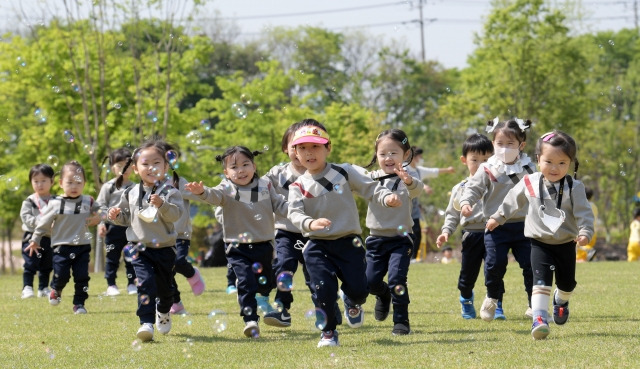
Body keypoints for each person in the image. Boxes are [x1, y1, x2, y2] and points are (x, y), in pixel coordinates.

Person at [287, 121, 402, 347]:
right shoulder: (297, 186)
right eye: (302, 148)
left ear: (328, 148)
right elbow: (294, 214)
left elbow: (371, 188)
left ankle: (352, 300)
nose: (309, 153)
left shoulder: (344, 172)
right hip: (317, 245)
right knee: (323, 289)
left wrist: (387, 198)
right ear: (296, 153)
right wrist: (310, 223)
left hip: (349, 242)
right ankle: (328, 332)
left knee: (360, 290)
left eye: (315, 147)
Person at [486, 130, 594, 339]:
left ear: (571, 163)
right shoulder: (530, 182)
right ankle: (539, 318)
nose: (555, 168)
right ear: (538, 159)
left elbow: (584, 214)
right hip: (538, 243)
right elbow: (512, 201)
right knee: (541, 281)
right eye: (549, 161)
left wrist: (585, 232)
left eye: (562, 163)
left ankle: (561, 300)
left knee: (567, 284)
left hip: (565, 243)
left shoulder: (574, 187)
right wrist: (498, 217)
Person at [185, 146, 288, 339]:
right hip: (236, 246)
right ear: (226, 172)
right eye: (234, 167)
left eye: (245, 164)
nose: (240, 170)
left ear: (254, 166)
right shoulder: (226, 188)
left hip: (264, 244)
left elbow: (279, 204)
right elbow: (213, 196)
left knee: (268, 281)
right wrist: (201, 192)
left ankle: (262, 296)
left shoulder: (265, 184)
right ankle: (250, 319)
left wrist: (296, 210)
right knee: (246, 282)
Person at [107, 138, 185, 342]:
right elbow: (127, 219)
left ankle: (164, 311)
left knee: (166, 289)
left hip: (165, 249)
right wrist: (115, 215)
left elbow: (175, 215)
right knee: (145, 284)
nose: (151, 168)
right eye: (145, 164)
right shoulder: (130, 192)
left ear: (166, 166)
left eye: (156, 163)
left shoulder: (170, 191)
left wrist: (162, 205)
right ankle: (146, 323)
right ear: (135, 168)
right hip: (139, 248)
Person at [459, 118, 535, 321]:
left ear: (521, 145)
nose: (504, 148)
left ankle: (534, 304)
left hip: (524, 226)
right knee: (494, 265)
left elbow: (541, 191)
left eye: (510, 144)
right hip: (494, 226)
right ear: (493, 144)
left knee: (531, 265)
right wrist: (467, 202)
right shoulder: (488, 168)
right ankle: (492, 298)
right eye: (500, 144)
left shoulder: (528, 168)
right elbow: (474, 187)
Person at [362, 129, 421, 335]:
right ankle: (383, 294)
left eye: (393, 153)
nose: (388, 158)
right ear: (376, 155)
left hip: (401, 240)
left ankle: (401, 321)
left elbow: (417, 190)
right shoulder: (370, 178)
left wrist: (408, 180)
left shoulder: (408, 177)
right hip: (375, 239)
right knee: (369, 282)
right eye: (383, 153)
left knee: (397, 279)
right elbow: (353, 185)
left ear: (405, 155)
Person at [26, 161, 100, 314]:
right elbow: (43, 223)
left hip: (83, 246)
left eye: (78, 182)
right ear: (60, 183)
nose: (74, 186)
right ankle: (56, 288)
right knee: (62, 275)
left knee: (82, 277)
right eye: (70, 182)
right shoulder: (55, 203)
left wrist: (99, 218)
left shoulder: (89, 201)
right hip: (61, 246)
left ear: (84, 183)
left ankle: (79, 304)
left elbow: (103, 210)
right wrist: (35, 239)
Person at [262, 121, 317, 328]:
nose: (300, 152)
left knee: (316, 274)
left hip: (313, 232)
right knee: (283, 266)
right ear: (286, 148)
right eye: (296, 146)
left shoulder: (321, 173)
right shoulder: (277, 174)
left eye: (307, 146)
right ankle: (281, 309)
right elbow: (257, 187)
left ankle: (326, 308)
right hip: (286, 231)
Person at [436, 133, 494, 319]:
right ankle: (466, 300)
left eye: (486, 159)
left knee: (494, 271)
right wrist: (446, 231)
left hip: (494, 233)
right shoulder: (460, 188)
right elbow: (452, 214)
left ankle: (495, 304)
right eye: (475, 159)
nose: (481, 164)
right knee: (467, 275)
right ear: (464, 160)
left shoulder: (497, 186)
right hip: (471, 235)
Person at [161, 147, 205, 317]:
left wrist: (203, 192)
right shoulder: (147, 187)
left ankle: (192, 274)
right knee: (166, 272)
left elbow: (199, 195)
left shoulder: (178, 182)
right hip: (161, 237)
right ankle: (176, 303)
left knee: (178, 262)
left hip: (180, 235)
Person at [96, 148, 137, 296]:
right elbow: (101, 206)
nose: (123, 169)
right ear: (112, 168)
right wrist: (101, 224)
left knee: (132, 258)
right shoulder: (108, 187)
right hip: (112, 228)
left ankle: (132, 283)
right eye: (119, 165)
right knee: (112, 258)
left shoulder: (135, 187)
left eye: (127, 165)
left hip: (130, 228)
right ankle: (111, 284)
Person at [407, 146, 455, 261]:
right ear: (413, 157)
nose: (421, 159)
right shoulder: (404, 169)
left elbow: (433, 171)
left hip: (414, 205)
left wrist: (448, 170)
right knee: (405, 232)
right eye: (420, 157)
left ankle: (413, 258)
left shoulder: (418, 170)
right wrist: (424, 187)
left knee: (417, 231)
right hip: (403, 204)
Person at [20, 164, 56, 299]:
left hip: (49, 237)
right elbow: (26, 217)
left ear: (52, 181)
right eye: (36, 181)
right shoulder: (29, 201)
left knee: (47, 264)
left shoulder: (57, 201)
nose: (39, 184)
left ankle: (43, 288)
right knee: (30, 262)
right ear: (31, 182)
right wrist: (42, 223)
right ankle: (27, 287)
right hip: (31, 237)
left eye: (43, 181)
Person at [576, 187, 598, 262]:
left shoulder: (583, 205)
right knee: (582, 256)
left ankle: (590, 250)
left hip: (584, 231)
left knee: (579, 245)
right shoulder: (594, 206)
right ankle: (591, 257)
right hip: (593, 232)